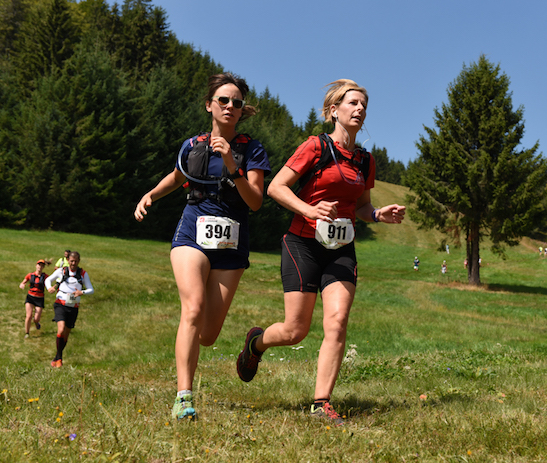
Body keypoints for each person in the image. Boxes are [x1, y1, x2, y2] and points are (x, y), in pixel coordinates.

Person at [236, 79, 406, 424]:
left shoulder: (364, 160)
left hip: (341, 248)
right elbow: (276, 188)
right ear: (334, 111)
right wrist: (309, 210)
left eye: (363, 105)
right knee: (295, 331)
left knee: (338, 321)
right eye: (352, 103)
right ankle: (256, 343)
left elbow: (361, 207)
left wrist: (377, 215)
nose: (359, 109)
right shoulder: (315, 147)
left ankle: (320, 402)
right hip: (302, 243)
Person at [134, 72, 271, 421]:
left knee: (208, 336)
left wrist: (231, 164)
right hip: (192, 233)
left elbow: (255, 201)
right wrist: (151, 194)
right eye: (223, 100)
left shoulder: (251, 150)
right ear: (209, 105)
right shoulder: (191, 145)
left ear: (242, 111)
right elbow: (178, 176)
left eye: (236, 103)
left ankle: (251, 343)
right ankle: (183, 397)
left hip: (231, 243)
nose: (229, 106)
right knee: (192, 309)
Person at [45, 251, 94, 368]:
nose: (73, 263)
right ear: (68, 261)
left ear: (79, 261)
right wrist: (49, 288)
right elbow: (48, 280)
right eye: (71, 261)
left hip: (73, 307)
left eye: (76, 261)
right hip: (60, 303)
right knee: (61, 329)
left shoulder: (82, 273)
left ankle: (57, 356)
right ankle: (60, 358)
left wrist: (81, 292)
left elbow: (91, 289)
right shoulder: (61, 271)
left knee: (66, 334)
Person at [19, 259, 47, 338]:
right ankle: (27, 333)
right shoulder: (30, 275)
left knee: (36, 319)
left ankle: (36, 322)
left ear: (43, 267)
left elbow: (49, 282)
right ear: (36, 265)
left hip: (40, 298)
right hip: (30, 297)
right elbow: (23, 282)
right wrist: (22, 284)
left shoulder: (45, 276)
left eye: (42, 266)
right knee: (29, 316)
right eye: (39, 265)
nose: (40, 267)